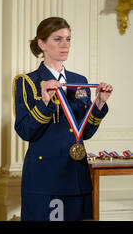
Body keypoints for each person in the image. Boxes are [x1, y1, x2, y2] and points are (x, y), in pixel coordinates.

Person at [12, 17, 113, 221]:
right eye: (58, 39)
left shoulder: (80, 81)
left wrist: (99, 103)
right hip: (45, 177)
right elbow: (25, 131)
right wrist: (46, 101)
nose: (65, 45)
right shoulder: (28, 82)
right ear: (42, 44)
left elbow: (84, 132)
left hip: (76, 175)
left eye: (68, 39)